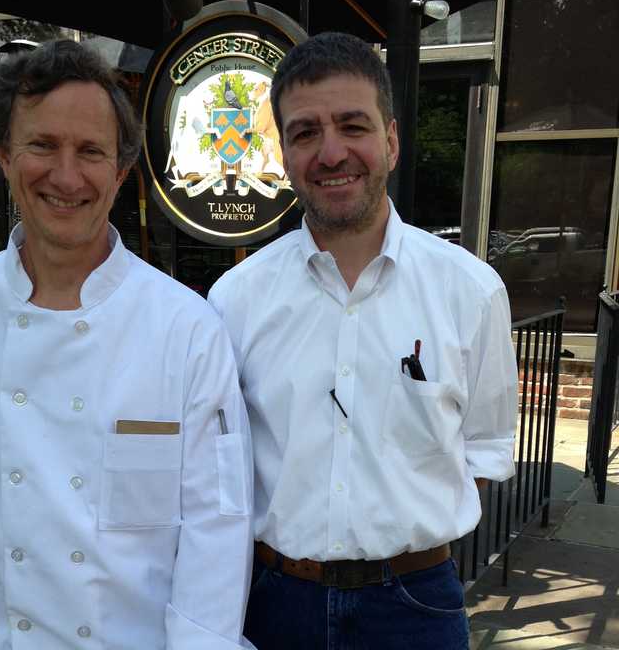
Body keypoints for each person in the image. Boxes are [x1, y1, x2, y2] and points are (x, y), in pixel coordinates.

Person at [0, 40, 255, 650]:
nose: (66, 176)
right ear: (4, 156)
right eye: (42, 145)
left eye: (91, 151)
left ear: (121, 172)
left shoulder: (186, 327)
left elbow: (218, 526)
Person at [208, 32, 518, 650]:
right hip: (273, 602)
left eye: (353, 126)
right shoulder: (234, 301)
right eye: (304, 133)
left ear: (392, 141)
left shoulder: (471, 291)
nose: (331, 152)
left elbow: (483, 448)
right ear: (285, 153)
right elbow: (217, 466)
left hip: (415, 606)